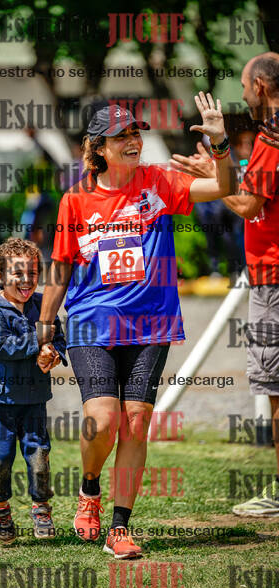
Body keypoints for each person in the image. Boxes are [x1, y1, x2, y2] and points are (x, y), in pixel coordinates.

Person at [36, 95, 233, 558]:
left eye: (135, 133)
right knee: (103, 420)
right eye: (121, 136)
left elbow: (224, 186)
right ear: (98, 148)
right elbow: (61, 268)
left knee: (136, 422)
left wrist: (220, 143)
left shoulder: (159, 182)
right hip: (92, 323)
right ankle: (89, 489)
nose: (133, 141)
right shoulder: (75, 200)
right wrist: (44, 328)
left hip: (151, 326)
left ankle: (119, 528)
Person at [171, 52, 279, 517]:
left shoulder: (272, 134)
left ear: (260, 86)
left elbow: (250, 205)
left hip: (274, 277)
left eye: (244, 85)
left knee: (274, 388)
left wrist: (211, 176)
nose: (243, 94)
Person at [0, 237, 67, 542]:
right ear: (0, 276)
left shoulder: (43, 306)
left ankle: (41, 509)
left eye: (33, 273)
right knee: (2, 457)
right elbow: (1, 347)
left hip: (34, 398)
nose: (26, 280)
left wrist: (53, 352)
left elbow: (58, 336)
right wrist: (39, 342)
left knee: (39, 455)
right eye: (17, 273)